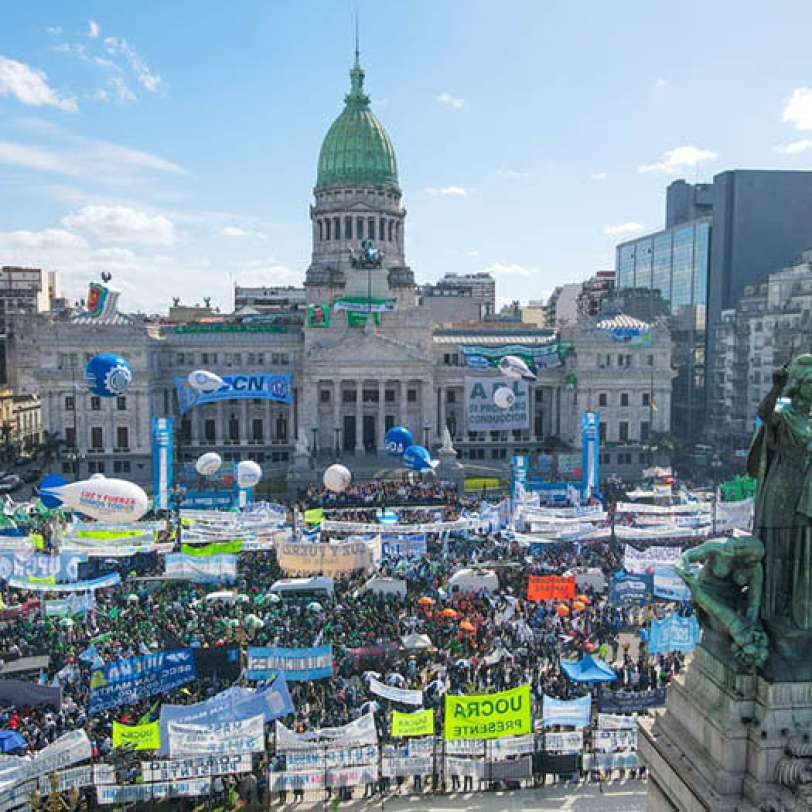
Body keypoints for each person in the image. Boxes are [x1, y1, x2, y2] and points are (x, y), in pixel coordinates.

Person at [749, 355, 812, 647]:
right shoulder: (786, 413)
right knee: (779, 550)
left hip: (807, 493)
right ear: (799, 386)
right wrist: (777, 388)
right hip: (781, 489)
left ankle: (799, 611)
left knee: (803, 552)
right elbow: (766, 413)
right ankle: (773, 611)